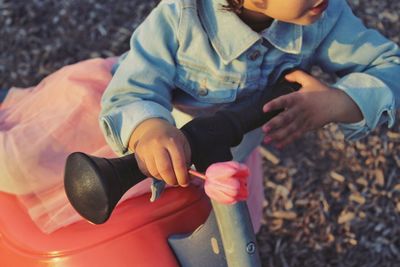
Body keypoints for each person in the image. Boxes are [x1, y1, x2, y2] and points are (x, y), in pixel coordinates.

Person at [100, 0, 399, 231]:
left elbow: (391, 66)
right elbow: (131, 91)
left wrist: (337, 102)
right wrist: (149, 129)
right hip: (153, 154)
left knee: (227, 235)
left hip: (231, 156)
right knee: (151, 231)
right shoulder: (181, 17)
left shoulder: (324, 15)